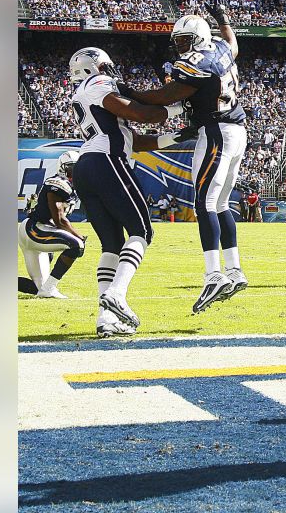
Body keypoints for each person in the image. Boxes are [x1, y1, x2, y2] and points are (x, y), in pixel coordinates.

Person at [119, 0, 248, 314]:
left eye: (186, 40)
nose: (181, 46)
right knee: (219, 204)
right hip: (237, 130)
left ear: (200, 38)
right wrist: (223, 17)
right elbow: (232, 42)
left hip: (216, 131)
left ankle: (213, 275)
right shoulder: (220, 49)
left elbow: (164, 97)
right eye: (178, 41)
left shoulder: (197, 62)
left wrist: (129, 92)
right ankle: (234, 270)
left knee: (204, 204)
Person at [67, 47, 190, 338]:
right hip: (106, 161)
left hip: (88, 165)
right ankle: (117, 294)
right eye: (106, 66)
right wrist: (178, 108)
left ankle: (106, 318)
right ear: (92, 68)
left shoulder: (85, 96)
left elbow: (133, 140)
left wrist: (178, 135)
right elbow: (137, 113)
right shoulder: (97, 84)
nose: (111, 71)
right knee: (142, 231)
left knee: (112, 244)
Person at [17, 150, 84, 300]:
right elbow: (59, 219)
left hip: (39, 230)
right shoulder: (59, 183)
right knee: (76, 245)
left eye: (77, 167)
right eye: (71, 167)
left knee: (39, 289)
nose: (74, 171)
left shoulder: (72, 186)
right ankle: (51, 287)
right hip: (35, 228)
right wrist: (78, 235)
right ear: (62, 168)